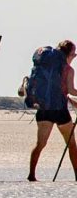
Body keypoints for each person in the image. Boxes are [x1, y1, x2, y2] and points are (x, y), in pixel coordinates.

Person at [27, 40, 77, 181]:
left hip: (44, 108)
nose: (74, 57)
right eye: (74, 54)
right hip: (60, 110)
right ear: (69, 54)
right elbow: (71, 90)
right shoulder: (68, 69)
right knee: (72, 145)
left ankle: (31, 175)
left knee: (40, 144)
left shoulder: (46, 65)